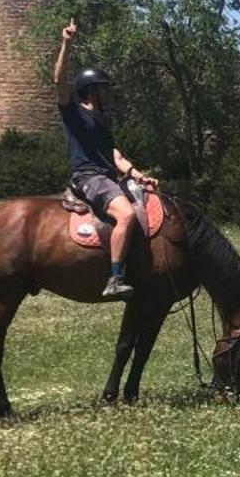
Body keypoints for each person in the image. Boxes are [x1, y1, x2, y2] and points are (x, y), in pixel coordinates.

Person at [55, 20, 157, 300]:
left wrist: (138, 175)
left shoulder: (103, 121)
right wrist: (67, 44)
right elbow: (59, 81)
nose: (110, 93)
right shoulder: (73, 112)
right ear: (91, 90)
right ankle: (115, 278)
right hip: (89, 177)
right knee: (125, 214)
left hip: (108, 176)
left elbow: (116, 156)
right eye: (105, 88)